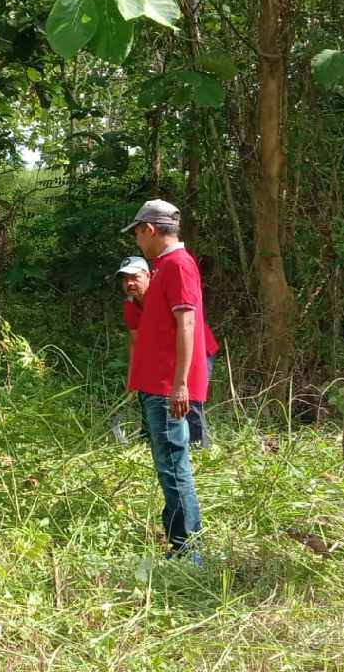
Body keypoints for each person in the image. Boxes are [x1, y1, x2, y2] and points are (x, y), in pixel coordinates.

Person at [122, 200, 211, 562]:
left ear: (150, 230)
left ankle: (188, 551)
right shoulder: (164, 267)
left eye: (138, 234)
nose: (138, 242)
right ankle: (181, 545)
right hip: (157, 385)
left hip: (166, 387)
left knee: (174, 466)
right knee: (169, 465)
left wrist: (180, 384)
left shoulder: (177, 265)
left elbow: (187, 323)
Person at [116, 255, 219, 446]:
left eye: (135, 277)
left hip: (197, 348)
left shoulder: (162, 292)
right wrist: (133, 377)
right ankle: (151, 442)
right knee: (150, 393)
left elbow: (185, 325)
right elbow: (136, 343)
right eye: (125, 279)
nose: (129, 283)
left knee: (190, 398)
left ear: (148, 276)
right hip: (169, 352)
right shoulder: (130, 306)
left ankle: (200, 448)